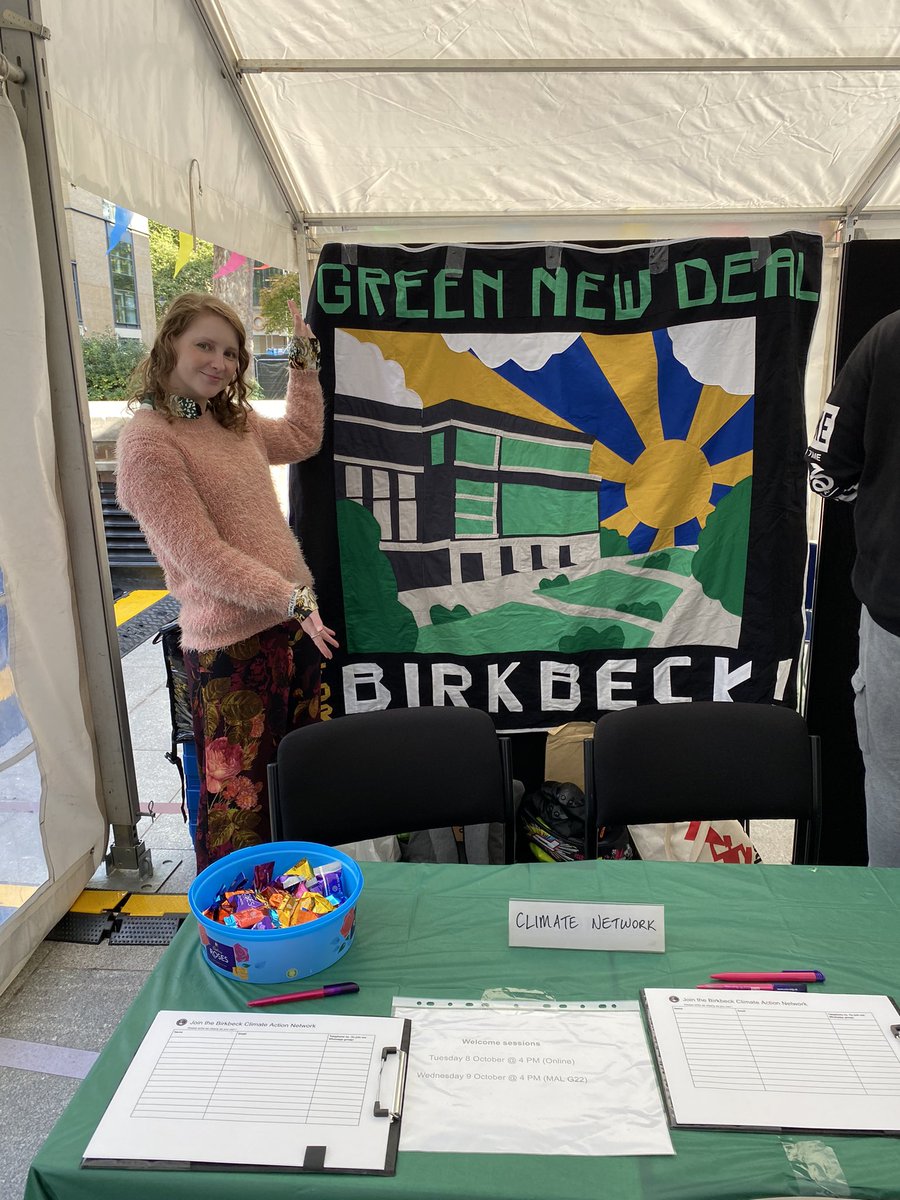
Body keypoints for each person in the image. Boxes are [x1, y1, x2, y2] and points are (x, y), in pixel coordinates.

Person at [116, 292, 338, 871]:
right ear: (170, 344)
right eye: (205, 346)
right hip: (232, 649)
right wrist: (291, 595)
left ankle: (303, 909)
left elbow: (301, 437)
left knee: (306, 783)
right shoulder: (148, 442)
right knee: (238, 808)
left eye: (232, 353)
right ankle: (239, 936)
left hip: (293, 628)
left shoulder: (229, 420)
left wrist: (304, 361)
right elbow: (202, 557)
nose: (220, 362)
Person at [806, 310, 900, 867]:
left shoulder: (889, 335)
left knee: (893, 782)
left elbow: (827, 468)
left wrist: (879, 504)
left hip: (895, 612)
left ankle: (890, 937)